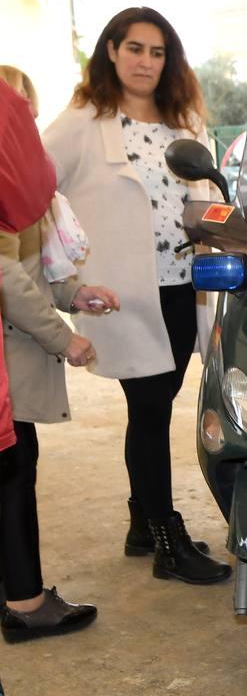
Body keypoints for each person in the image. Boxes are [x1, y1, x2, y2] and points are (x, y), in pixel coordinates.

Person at [42, 7, 230, 585]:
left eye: (157, 52)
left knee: (157, 401)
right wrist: (62, 264)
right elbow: (33, 185)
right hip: (123, 292)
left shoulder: (185, 118)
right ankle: (167, 539)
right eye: (135, 49)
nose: (146, 62)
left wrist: (224, 234)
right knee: (148, 409)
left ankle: (139, 521)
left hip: (184, 287)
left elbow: (208, 191)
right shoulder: (82, 120)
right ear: (111, 52)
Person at [0, 67, 117, 643]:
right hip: (10, 357)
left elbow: (36, 268)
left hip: (17, 350)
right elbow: (6, 279)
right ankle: (25, 603)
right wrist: (61, 335)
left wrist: (77, 295)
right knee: (13, 474)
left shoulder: (23, 179)